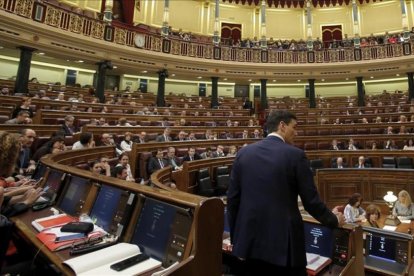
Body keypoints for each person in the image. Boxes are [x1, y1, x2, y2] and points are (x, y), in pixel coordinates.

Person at [227, 110, 343, 275]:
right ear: (282, 125)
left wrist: (237, 240)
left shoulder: (244, 153)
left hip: (248, 244)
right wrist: (334, 220)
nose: (296, 132)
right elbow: (311, 202)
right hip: (283, 248)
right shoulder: (295, 155)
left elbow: (233, 200)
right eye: (293, 127)